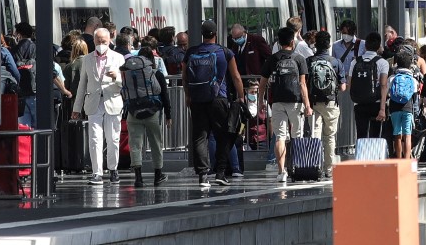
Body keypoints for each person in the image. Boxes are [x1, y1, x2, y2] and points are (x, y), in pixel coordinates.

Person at [182, 20, 245, 187]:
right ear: (216, 33)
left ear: (202, 34)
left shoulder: (191, 52)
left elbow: (185, 77)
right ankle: (220, 172)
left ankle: (203, 176)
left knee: (200, 137)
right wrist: (241, 96)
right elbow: (236, 76)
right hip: (219, 99)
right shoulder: (224, 52)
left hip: (197, 99)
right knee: (224, 135)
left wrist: (188, 95)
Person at [70, 28, 126, 185]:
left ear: (110, 41)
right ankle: (97, 173)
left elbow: (126, 84)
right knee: (95, 139)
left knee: (113, 138)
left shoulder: (118, 58)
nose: (101, 44)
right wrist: (76, 108)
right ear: (93, 41)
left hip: (113, 101)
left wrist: (117, 78)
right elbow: (82, 84)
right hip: (93, 102)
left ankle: (113, 169)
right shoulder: (87, 59)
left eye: (104, 41)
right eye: (98, 41)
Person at [259, 26, 312, 183]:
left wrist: (262, 100)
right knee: (297, 135)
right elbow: (303, 85)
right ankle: (296, 168)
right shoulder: (299, 59)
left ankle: (282, 172)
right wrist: (307, 105)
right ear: (292, 41)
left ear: (279, 41)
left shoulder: (273, 58)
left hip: (277, 101)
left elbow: (262, 82)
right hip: (295, 102)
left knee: (280, 137)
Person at [124, 46, 172, 187]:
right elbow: (164, 96)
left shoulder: (129, 73)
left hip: (133, 113)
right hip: (153, 112)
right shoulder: (156, 73)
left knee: (135, 145)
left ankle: (138, 178)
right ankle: (158, 175)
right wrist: (169, 115)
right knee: (156, 143)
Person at [308, 30, 345, 179]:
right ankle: (329, 169)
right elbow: (343, 87)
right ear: (329, 45)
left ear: (315, 44)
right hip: (331, 103)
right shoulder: (335, 62)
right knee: (329, 137)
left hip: (313, 103)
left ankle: (315, 167)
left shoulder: (309, 61)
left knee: (315, 135)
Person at [333, 20, 366, 157]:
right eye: (343, 32)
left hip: (356, 84)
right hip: (342, 84)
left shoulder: (361, 44)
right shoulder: (335, 46)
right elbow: (334, 62)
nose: (345, 35)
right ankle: (342, 144)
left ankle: (354, 143)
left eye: (348, 33)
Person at [348, 32, 389, 140]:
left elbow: (349, 84)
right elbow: (384, 86)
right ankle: (373, 157)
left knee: (361, 136)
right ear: (379, 46)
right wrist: (382, 109)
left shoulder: (355, 62)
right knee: (375, 137)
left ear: (365, 46)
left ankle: (361, 156)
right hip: (376, 104)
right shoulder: (382, 62)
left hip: (359, 104)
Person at [388, 51, 419, 160]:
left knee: (397, 135)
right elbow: (415, 97)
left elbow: (388, 93)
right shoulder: (413, 80)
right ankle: (407, 160)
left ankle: (399, 159)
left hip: (395, 108)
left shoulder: (392, 78)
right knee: (407, 135)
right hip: (408, 108)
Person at [11, 22, 39, 127]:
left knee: (24, 126)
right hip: (34, 91)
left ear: (19, 34)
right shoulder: (36, 48)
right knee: (38, 124)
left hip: (20, 93)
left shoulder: (14, 50)